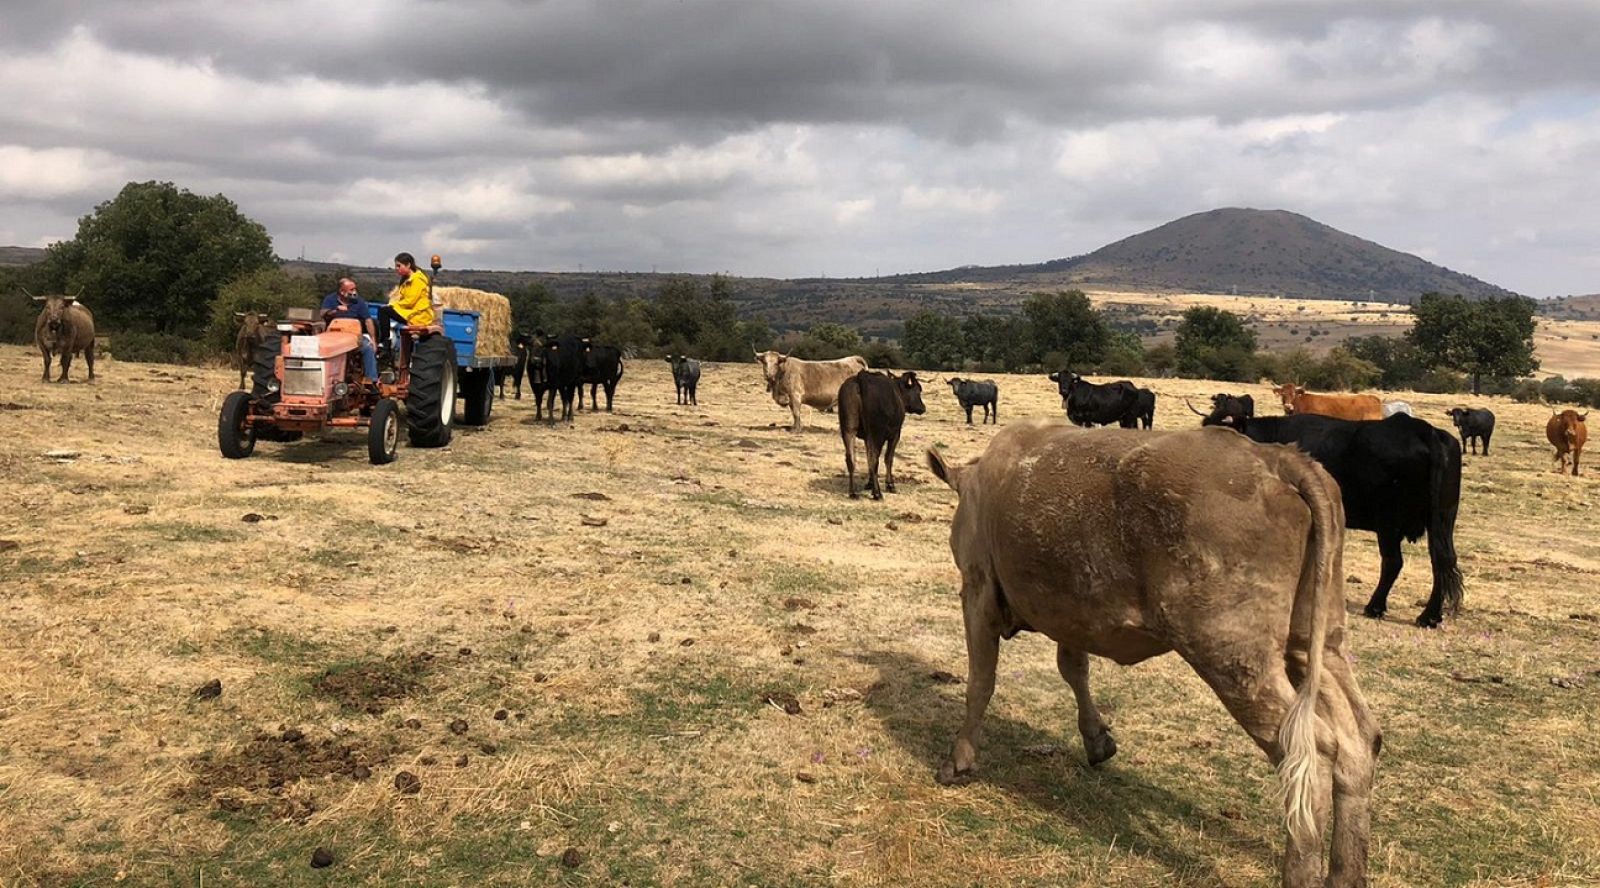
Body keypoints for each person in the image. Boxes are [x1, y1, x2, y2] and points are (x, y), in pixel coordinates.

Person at [320, 277, 379, 382]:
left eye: (355, 289)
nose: (355, 292)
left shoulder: (359, 302)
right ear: (342, 292)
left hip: (354, 336)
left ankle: (371, 380)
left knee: (368, 348)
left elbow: (368, 320)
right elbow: (323, 314)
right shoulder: (330, 299)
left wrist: (373, 340)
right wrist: (334, 311)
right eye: (351, 290)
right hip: (333, 336)